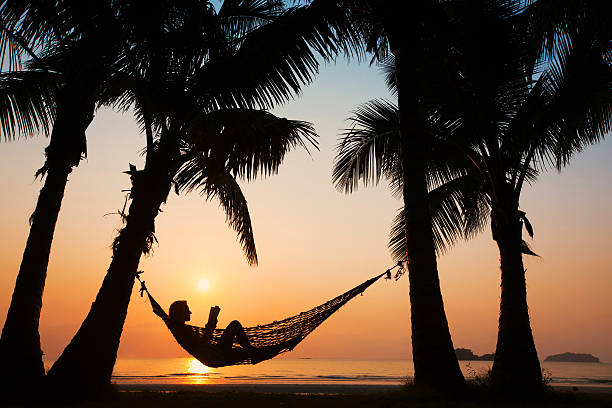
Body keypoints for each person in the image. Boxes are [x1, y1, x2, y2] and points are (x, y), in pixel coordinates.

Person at [166, 300, 300, 366]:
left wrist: (212, 321)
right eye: (187, 310)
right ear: (180, 313)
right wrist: (211, 321)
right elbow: (203, 344)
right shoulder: (184, 331)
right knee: (250, 347)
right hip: (216, 356)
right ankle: (285, 345)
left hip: (216, 353)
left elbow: (204, 343)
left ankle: (284, 345)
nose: (190, 312)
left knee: (251, 349)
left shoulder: (183, 330)